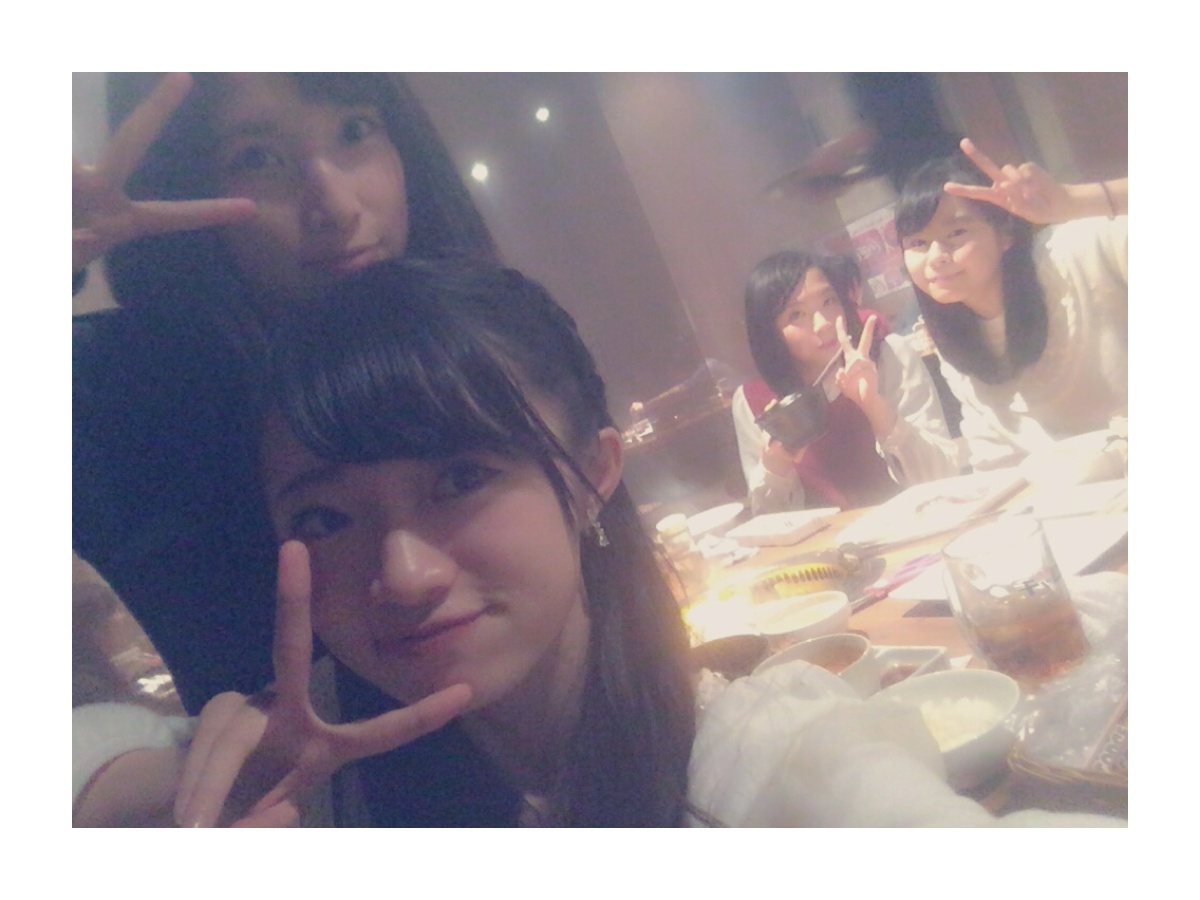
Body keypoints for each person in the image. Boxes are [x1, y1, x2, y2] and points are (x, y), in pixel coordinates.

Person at [73, 258, 1122, 828]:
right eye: (324, 519)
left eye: (460, 478)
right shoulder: (318, 780)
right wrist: (156, 794)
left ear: (594, 472)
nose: (400, 573)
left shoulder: (767, 770)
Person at [72, 73, 503, 825]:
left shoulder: (481, 333)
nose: (335, 206)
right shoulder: (130, 398)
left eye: (353, 131)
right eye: (258, 159)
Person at [894, 139, 1128, 471]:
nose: (936, 258)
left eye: (956, 233)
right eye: (917, 243)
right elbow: (994, 458)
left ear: (1005, 233)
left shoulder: (1078, 251)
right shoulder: (953, 337)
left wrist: (1075, 201)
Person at [733, 250, 960, 514]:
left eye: (828, 301)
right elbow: (770, 522)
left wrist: (873, 404)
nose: (823, 324)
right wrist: (774, 465)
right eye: (796, 315)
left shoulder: (888, 356)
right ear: (770, 333)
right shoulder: (754, 401)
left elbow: (941, 478)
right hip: (830, 538)